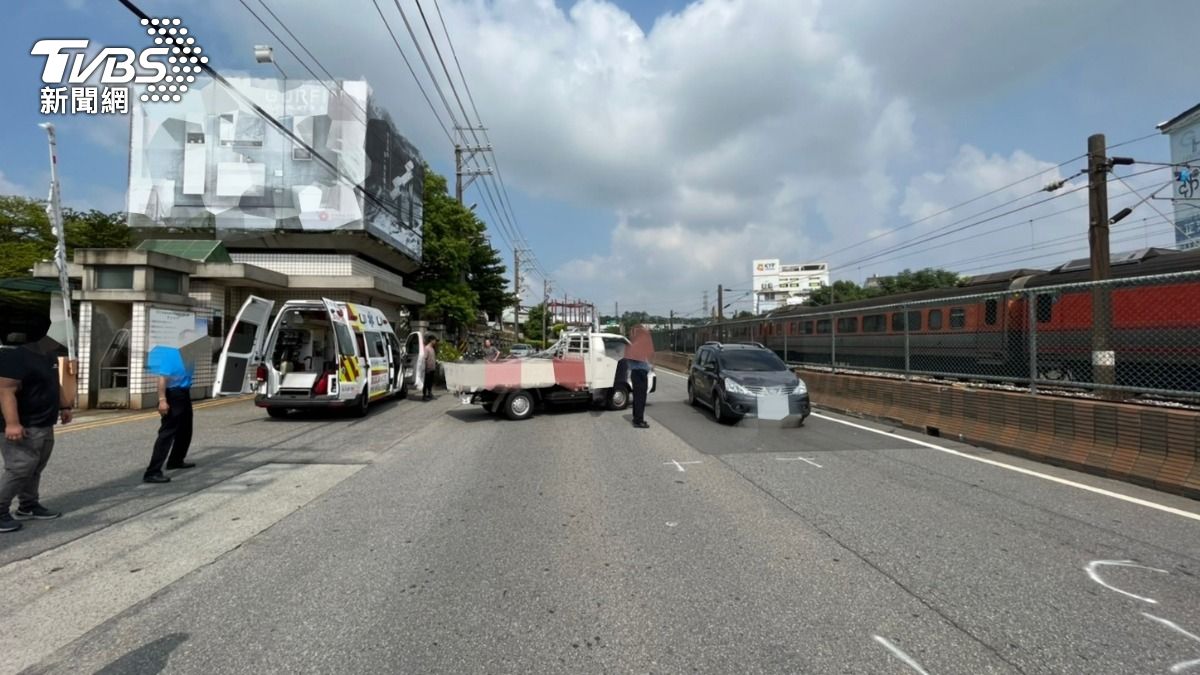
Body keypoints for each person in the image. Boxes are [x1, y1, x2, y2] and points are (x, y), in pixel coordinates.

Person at [0, 316, 71, 533]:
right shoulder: (16, 357)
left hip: (44, 423)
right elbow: (5, 390)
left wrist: (64, 406)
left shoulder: (48, 356)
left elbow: (53, 383)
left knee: (35, 467)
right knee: (20, 468)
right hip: (24, 424)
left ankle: (28, 505)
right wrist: (12, 423)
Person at [143, 368, 195, 484]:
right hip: (173, 394)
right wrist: (162, 400)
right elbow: (162, 377)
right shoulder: (172, 354)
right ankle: (152, 472)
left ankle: (176, 460)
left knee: (185, 430)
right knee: (167, 433)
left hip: (184, 393)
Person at [626, 325, 654, 429]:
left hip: (638, 372)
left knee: (638, 397)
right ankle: (638, 420)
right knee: (640, 398)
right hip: (639, 373)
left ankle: (637, 418)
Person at [422, 336, 438, 401]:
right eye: (434, 340)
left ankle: (429, 393)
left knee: (430, 382)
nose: (435, 342)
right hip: (428, 369)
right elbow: (425, 359)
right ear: (431, 340)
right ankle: (424, 395)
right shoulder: (427, 348)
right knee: (426, 382)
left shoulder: (432, 348)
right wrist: (426, 368)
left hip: (432, 368)